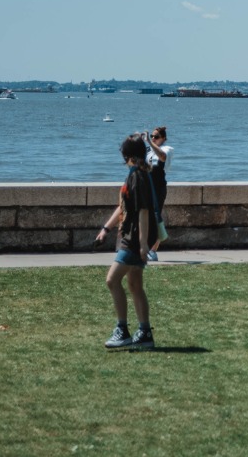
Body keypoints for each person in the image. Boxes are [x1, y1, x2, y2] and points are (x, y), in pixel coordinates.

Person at [92, 133, 156, 350]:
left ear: (127, 155)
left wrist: (143, 243)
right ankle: (145, 333)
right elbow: (123, 207)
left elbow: (144, 211)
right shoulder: (136, 174)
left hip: (133, 239)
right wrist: (106, 229)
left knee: (112, 280)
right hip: (129, 236)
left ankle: (122, 330)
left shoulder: (137, 176)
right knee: (135, 284)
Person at [144, 126, 172, 262]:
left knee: (156, 218)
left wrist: (149, 142)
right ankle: (145, 247)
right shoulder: (149, 151)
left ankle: (153, 251)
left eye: (156, 137)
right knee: (146, 217)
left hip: (158, 188)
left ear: (164, 138)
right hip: (148, 187)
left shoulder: (167, 149)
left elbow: (162, 157)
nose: (153, 139)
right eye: (152, 136)